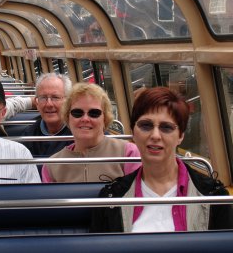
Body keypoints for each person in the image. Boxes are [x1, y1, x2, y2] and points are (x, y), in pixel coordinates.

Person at [90, 87, 233, 232]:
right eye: (146, 125)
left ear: (181, 136)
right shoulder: (111, 198)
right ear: (133, 131)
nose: (155, 135)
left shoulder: (214, 197)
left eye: (166, 127)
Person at [42, 83, 141, 183]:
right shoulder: (52, 166)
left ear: (105, 118)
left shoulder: (128, 154)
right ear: (68, 117)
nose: (85, 119)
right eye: (77, 113)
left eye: (94, 113)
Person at [22, 73, 73, 157]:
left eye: (55, 97)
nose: (49, 104)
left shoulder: (78, 134)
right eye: (43, 98)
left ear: (68, 102)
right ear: (37, 103)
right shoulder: (28, 136)